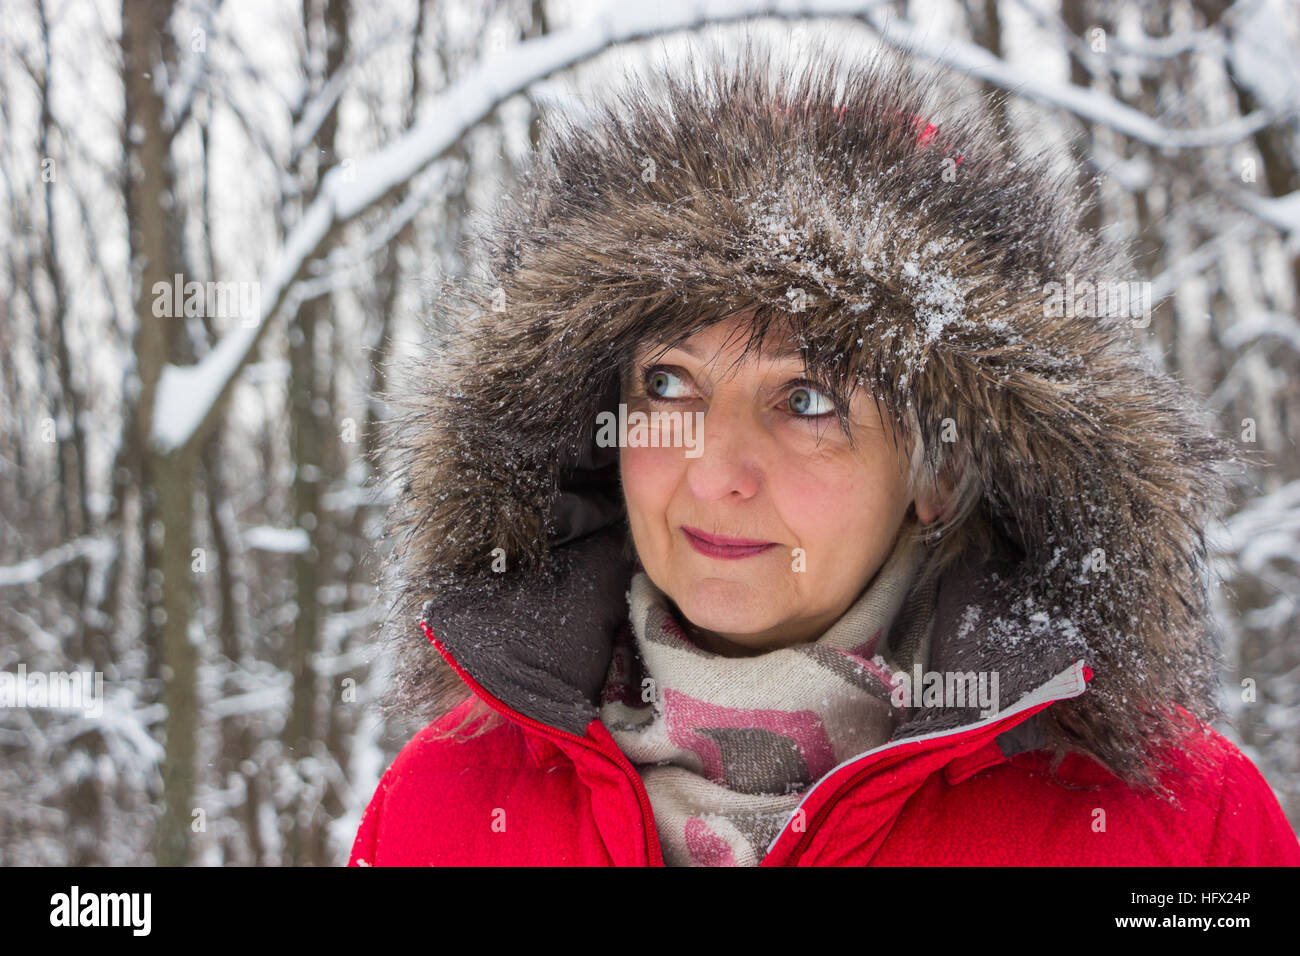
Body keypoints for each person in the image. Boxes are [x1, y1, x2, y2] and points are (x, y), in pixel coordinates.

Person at [347, 35, 1300, 866]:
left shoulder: (1181, 826)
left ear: (939, 471)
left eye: (806, 400)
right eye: (668, 384)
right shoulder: (443, 807)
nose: (716, 472)